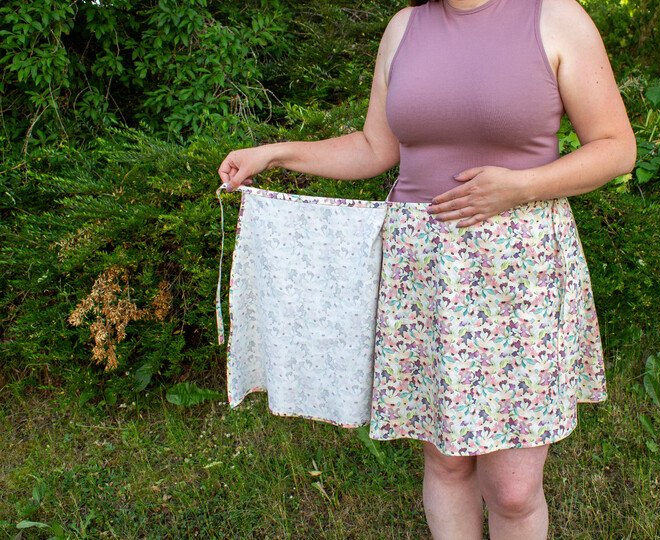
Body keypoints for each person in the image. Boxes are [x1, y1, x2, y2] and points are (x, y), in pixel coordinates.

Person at [218, 0, 635, 537]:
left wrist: (522, 186)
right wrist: (274, 153)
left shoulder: (554, 17)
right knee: (447, 462)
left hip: (520, 273)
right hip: (425, 274)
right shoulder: (404, 28)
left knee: (513, 490)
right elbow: (374, 148)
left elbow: (616, 148)